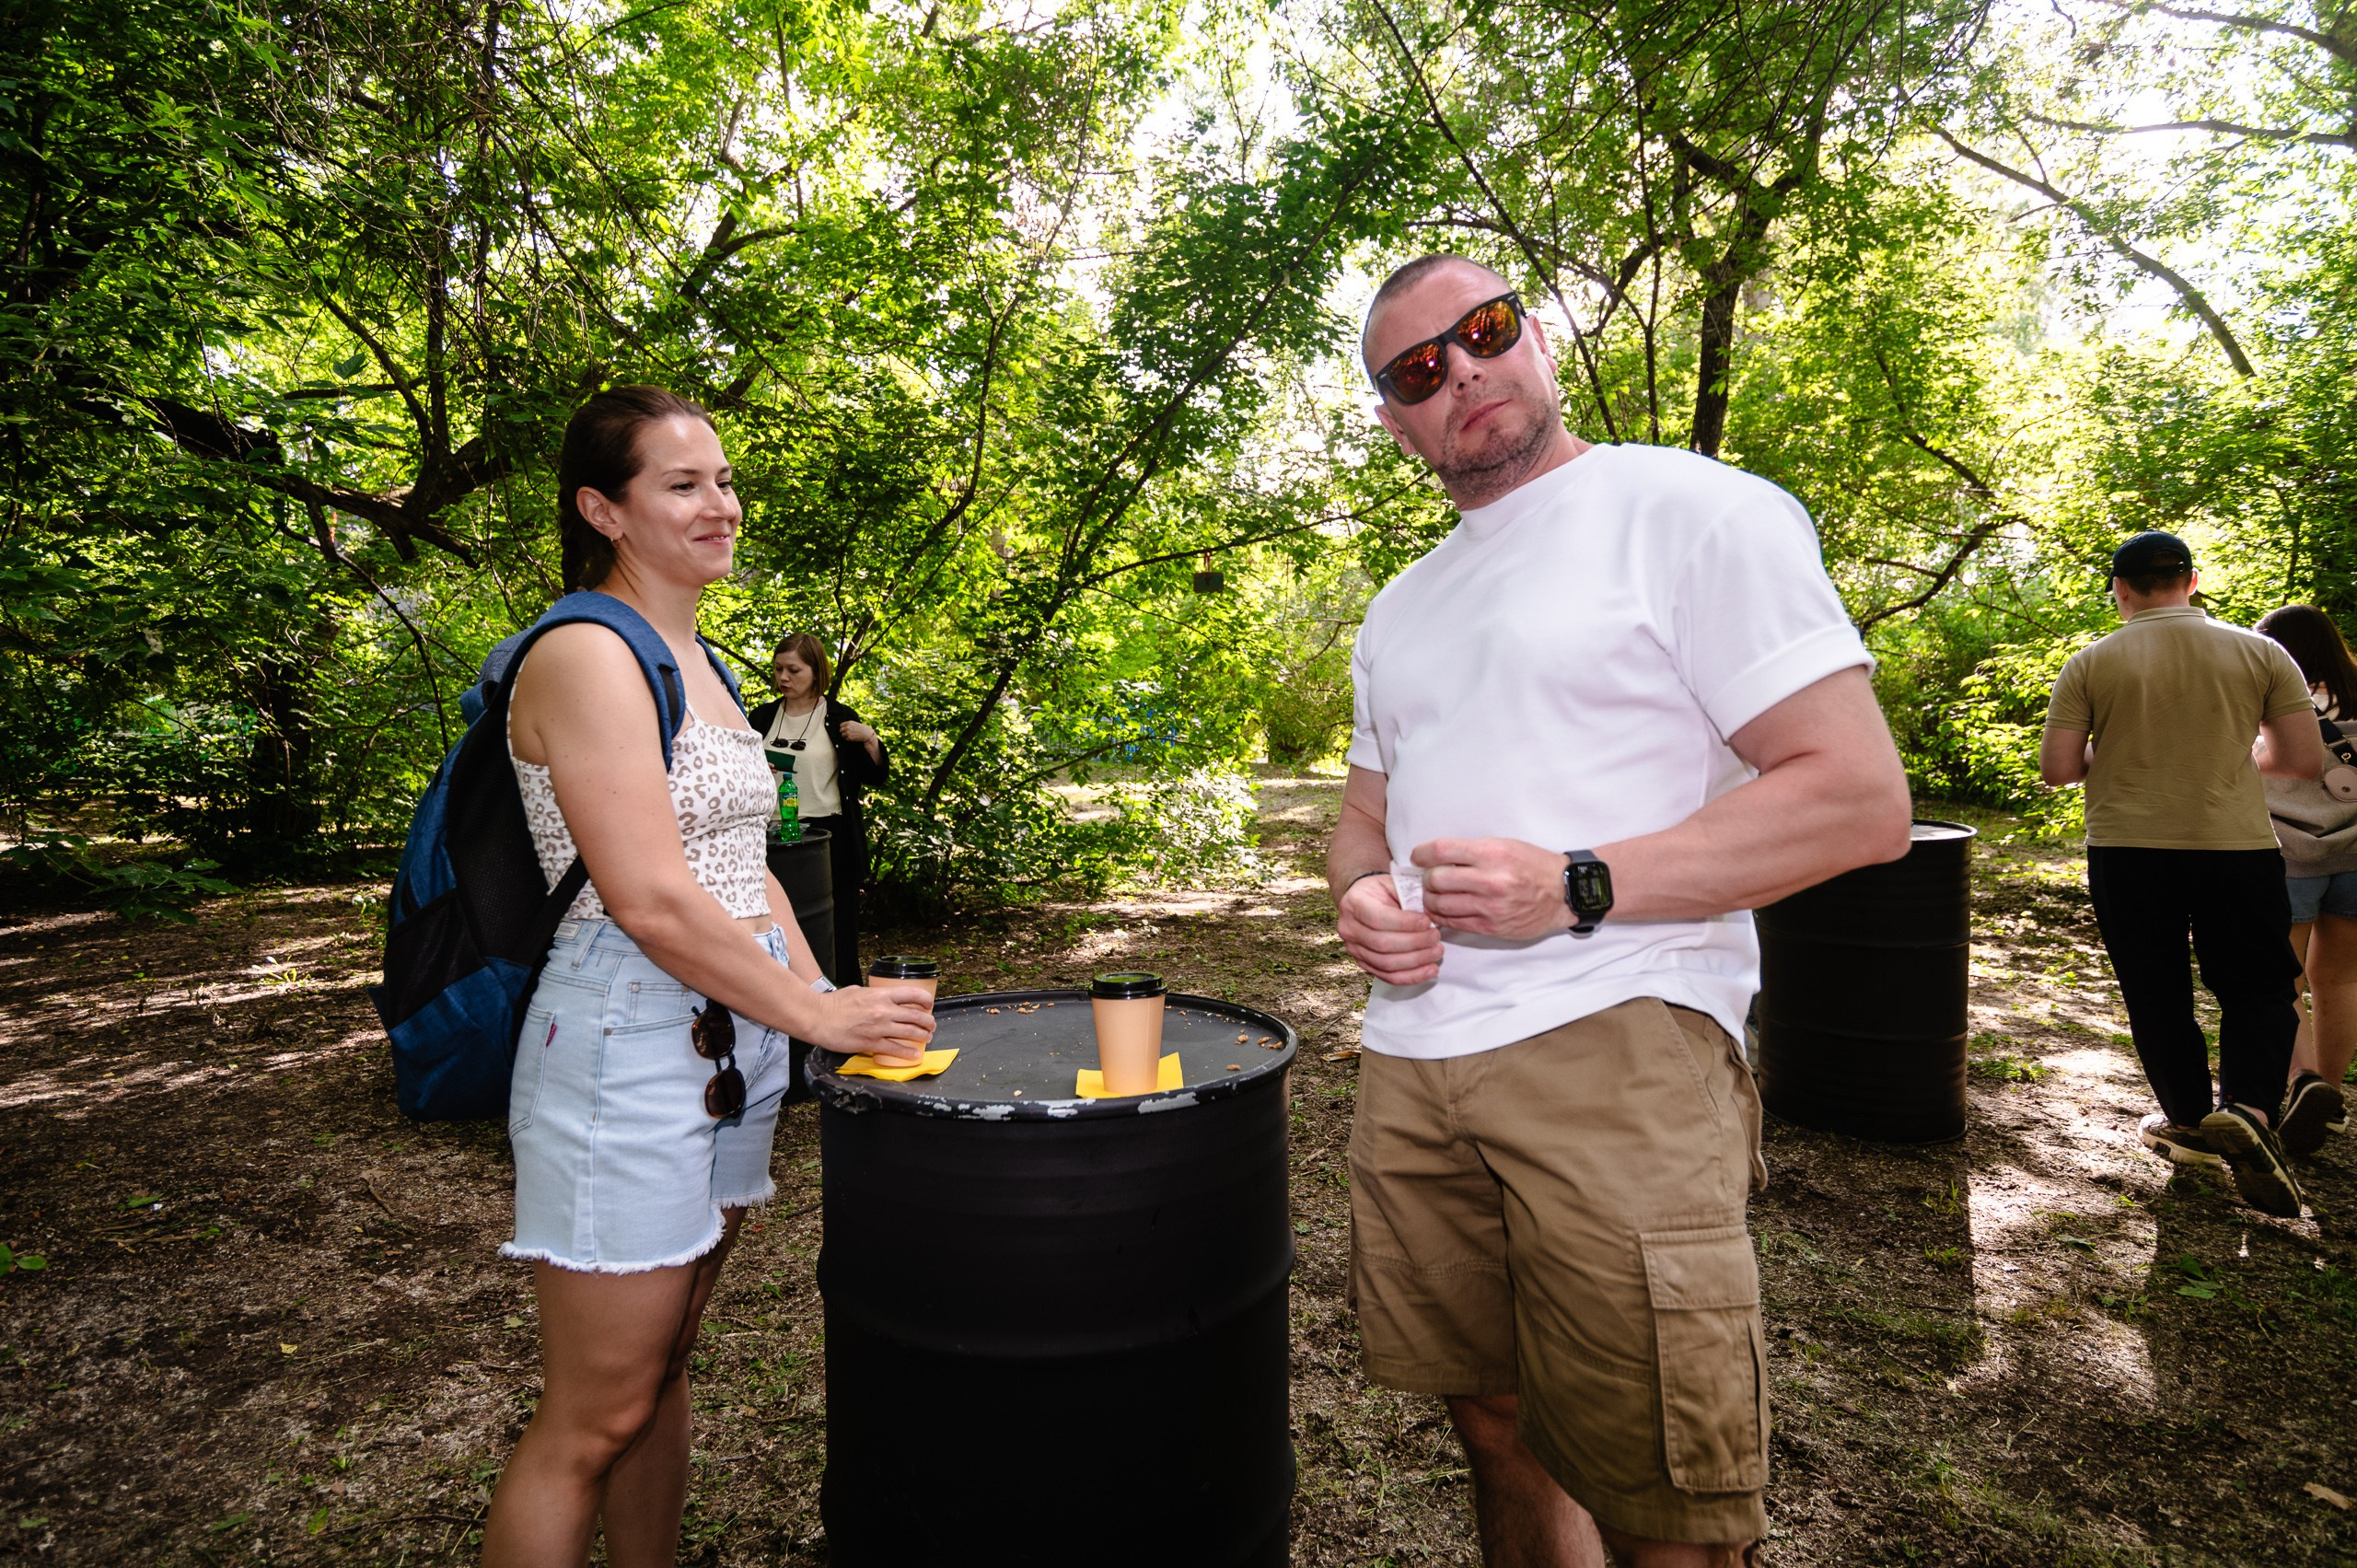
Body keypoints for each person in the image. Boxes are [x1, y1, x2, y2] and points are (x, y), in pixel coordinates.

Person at [1329, 254, 1913, 1568]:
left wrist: (1574, 884)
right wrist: (1362, 893)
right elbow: (1365, 821)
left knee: (1669, 1497)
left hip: (1622, 1038)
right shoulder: (1402, 603)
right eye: (1418, 369)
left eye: (1481, 332)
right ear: (1395, 420)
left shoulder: (1693, 510)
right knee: (1490, 1415)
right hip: (1413, 1058)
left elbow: (1858, 799)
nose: (1461, 372)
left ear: (1535, 334)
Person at [479, 386, 935, 1568]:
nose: (721, 504)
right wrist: (818, 1008)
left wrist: (825, 1004)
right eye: (682, 484)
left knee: (666, 1363)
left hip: (738, 1046)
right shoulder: (584, 650)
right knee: (593, 1412)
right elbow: (649, 896)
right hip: (624, 1038)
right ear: (605, 509)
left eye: (723, 479)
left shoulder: (705, 658)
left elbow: (746, 872)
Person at [2038, 532, 2321, 1216]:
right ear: (2192, 582)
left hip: (2129, 849)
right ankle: (2249, 1107)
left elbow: (2057, 769)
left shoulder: (2091, 662)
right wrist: (2231, 749)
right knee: (2259, 983)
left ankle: (2190, 1121)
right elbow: (2302, 760)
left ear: (2121, 589)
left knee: (2156, 987)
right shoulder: (2261, 652)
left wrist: (2112, 752)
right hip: (2237, 846)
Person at [2255, 604, 2357, 1154]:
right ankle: (2331, 1100)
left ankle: (2304, 1085)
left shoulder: (2276, 694)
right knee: (2339, 981)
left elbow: (2255, 762)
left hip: (2289, 853)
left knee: (2279, 980)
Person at [746, 633, 888, 983]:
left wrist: (869, 737)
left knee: (833, 933)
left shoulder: (838, 718)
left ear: (815, 671)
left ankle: (844, 1009)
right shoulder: (761, 718)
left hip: (827, 839)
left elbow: (875, 776)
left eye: (793, 670)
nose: (783, 678)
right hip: (768, 839)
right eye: (778, 669)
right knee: (773, 929)